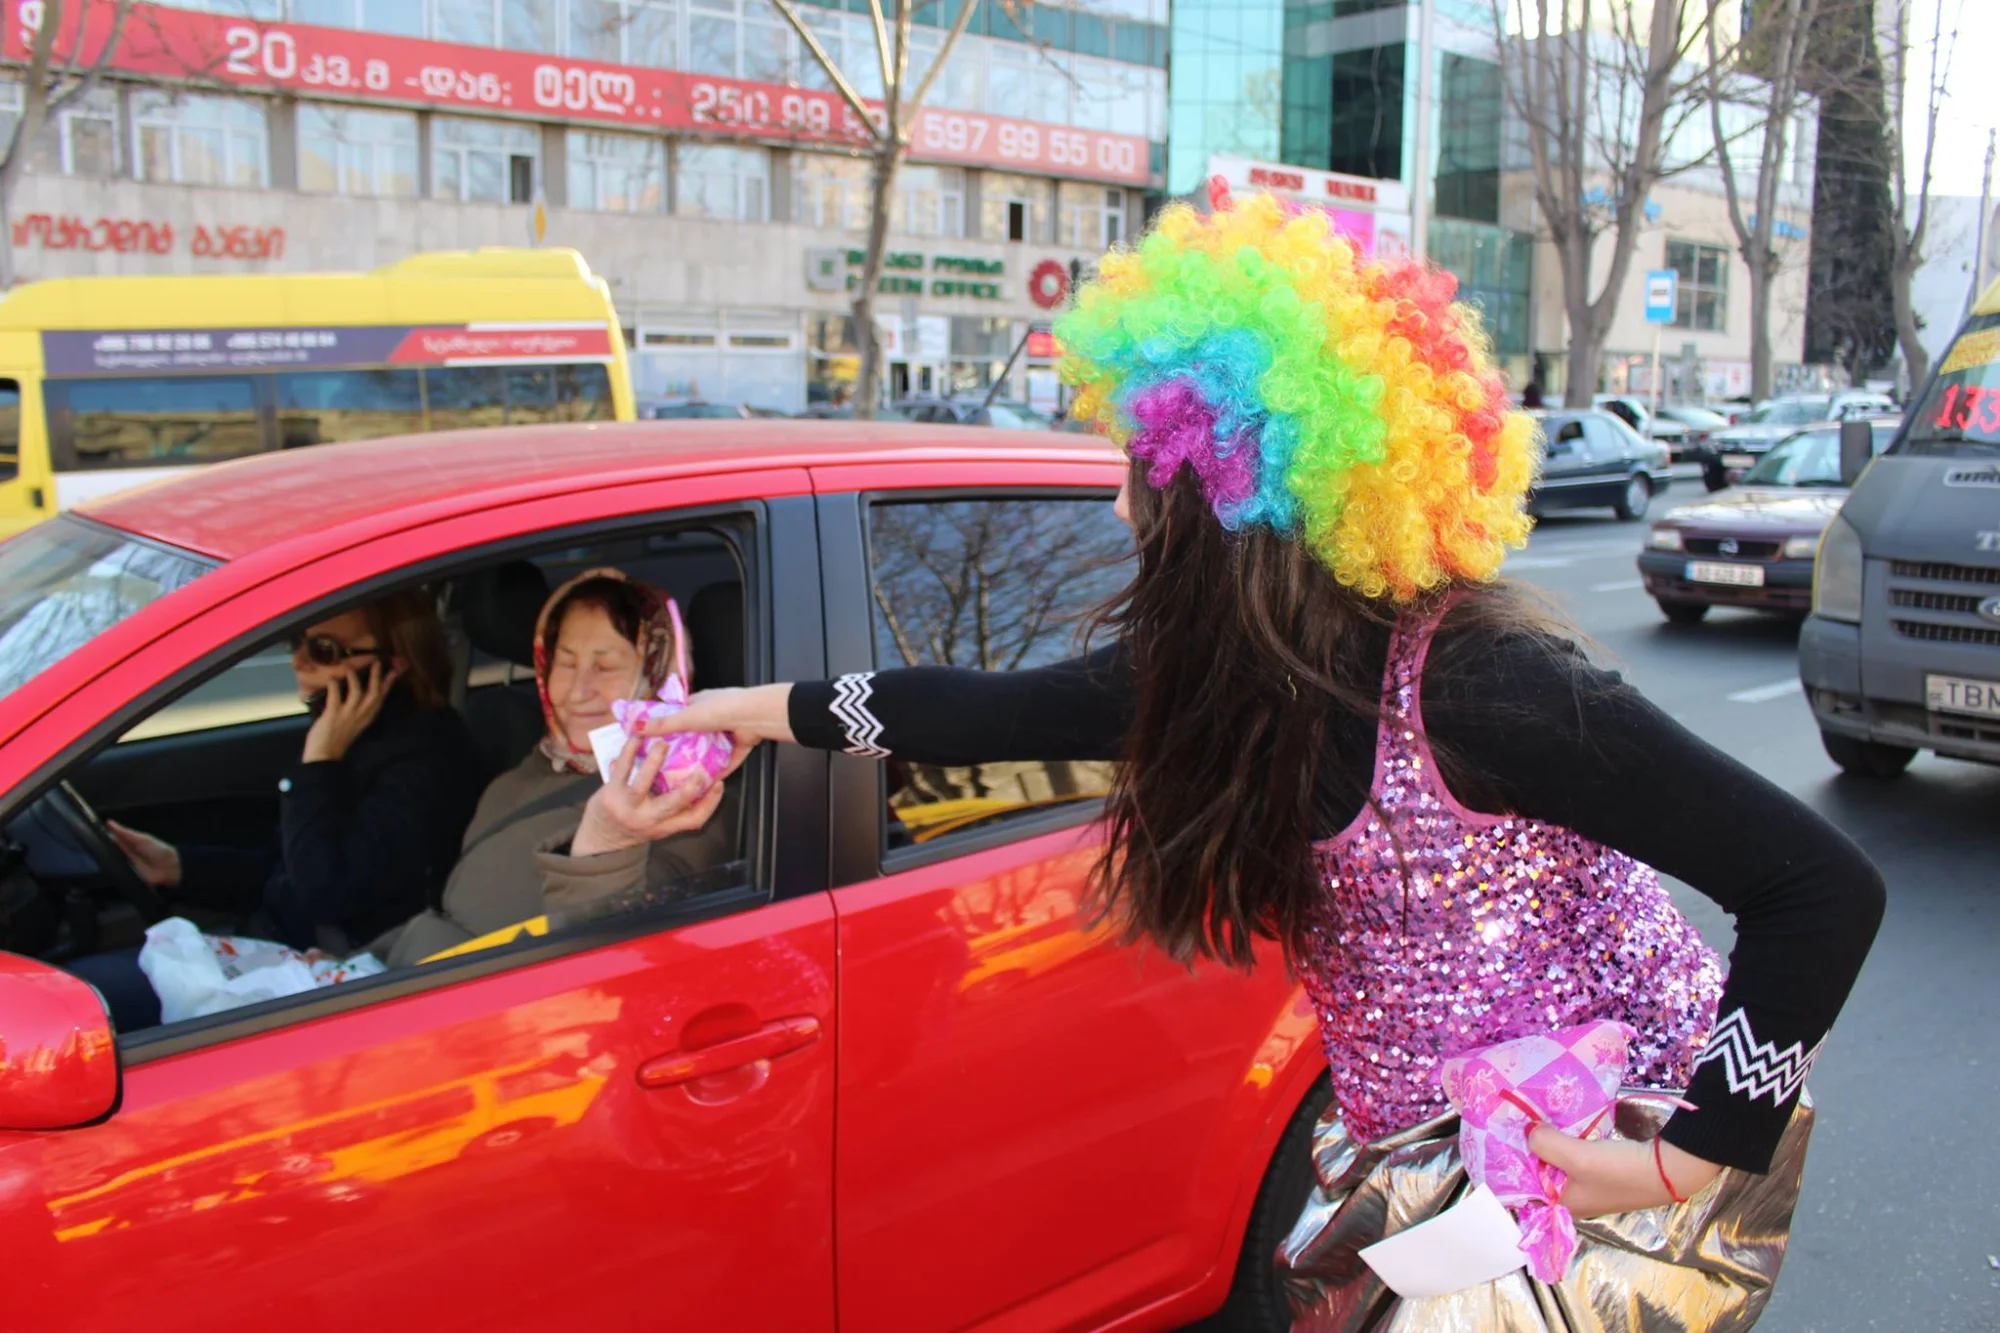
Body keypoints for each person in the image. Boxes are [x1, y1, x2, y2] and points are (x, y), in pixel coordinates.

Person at [644, 198, 1884, 1328]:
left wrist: (1693, 1150)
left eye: (1137, 477)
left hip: (1596, 1155)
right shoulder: (1222, 682)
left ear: (1221, 501)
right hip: (1421, 1152)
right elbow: (974, 713)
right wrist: (750, 710)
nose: (1120, 511)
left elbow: (1817, 888)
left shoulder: (1475, 686)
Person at [74, 590, 483, 1029]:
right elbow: (285, 868)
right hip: (268, 946)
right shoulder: (358, 736)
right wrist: (181, 868)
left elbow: (323, 891)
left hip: (323, 977)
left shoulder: (427, 759)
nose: (298, 662)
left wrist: (318, 763)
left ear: (394, 661)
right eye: (297, 642)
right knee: (79, 992)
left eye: (322, 650)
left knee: (78, 1012)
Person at [362, 568, 730, 969]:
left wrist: (608, 841)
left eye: (605, 667)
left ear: (657, 675)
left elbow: (621, 948)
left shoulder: (687, 795)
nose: (576, 691)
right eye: (565, 663)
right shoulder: (531, 769)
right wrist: (363, 961)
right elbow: (451, 918)